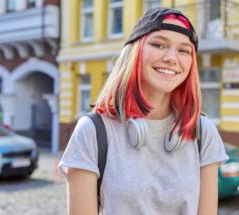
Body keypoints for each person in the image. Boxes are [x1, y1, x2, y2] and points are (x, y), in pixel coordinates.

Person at [58, 7, 228, 215]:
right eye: (158, 44)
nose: (171, 58)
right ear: (135, 52)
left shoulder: (203, 132)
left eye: (184, 50)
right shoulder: (93, 131)